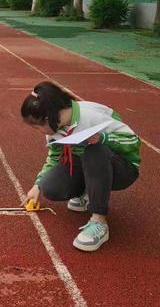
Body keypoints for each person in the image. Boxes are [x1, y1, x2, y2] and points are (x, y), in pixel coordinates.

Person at [21, 81, 140, 252]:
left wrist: (104, 138)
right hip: (87, 165)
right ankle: (87, 193)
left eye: (37, 126)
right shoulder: (55, 128)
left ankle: (99, 221)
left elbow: (134, 141)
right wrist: (37, 185)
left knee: (94, 151)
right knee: (50, 187)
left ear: (49, 117)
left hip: (122, 168)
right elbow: (55, 156)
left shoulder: (91, 115)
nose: (38, 131)